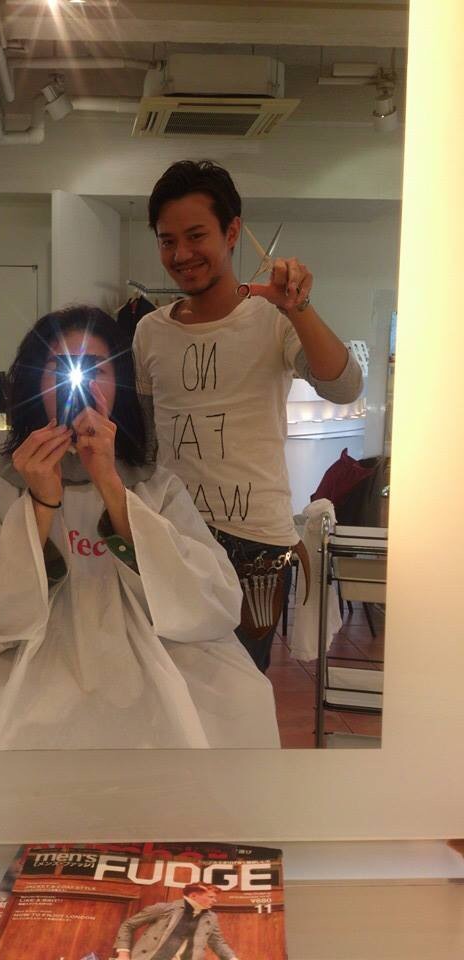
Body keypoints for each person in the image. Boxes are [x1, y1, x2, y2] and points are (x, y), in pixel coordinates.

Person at [0, 306, 280, 751]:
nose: (81, 384)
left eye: (96, 370)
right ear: (37, 386)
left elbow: (212, 598)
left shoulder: (156, 486)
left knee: (240, 695)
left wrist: (111, 485)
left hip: (141, 641)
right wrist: (39, 502)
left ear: (119, 387)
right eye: (62, 370)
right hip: (17, 643)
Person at [133, 160, 363, 672]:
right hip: (174, 535)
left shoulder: (272, 319)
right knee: (171, 684)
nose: (181, 254)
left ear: (232, 231)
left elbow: (344, 385)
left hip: (256, 545)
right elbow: (149, 443)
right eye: (167, 241)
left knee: (239, 687)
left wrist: (298, 307)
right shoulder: (149, 331)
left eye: (196, 236)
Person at [113, 883, 239, 960]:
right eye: (211, 897)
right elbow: (128, 925)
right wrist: (123, 953)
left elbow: (217, 942)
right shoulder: (164, 909)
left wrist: (232, 958)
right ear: (193, 896)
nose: (214, 901)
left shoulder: (210, 917)